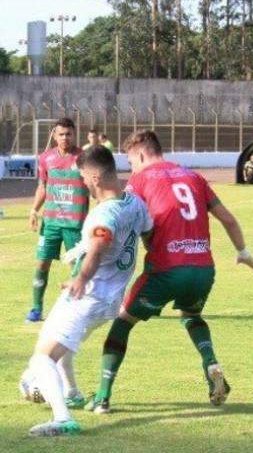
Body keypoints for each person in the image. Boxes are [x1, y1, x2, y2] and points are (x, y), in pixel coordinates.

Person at [87, 130, 253, 414]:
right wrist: (243, 253)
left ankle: (103, 396)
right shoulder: (194, 177)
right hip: (203, 269)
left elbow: (124, 215)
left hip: (166, 269)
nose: (130, 168)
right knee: (191, 315)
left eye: (131, 161)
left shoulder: (140, 179)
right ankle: (211, 364)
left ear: (141, 154)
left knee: (122, 323)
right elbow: (228, 219)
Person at [25, 146, 153, 437]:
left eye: (83, 177)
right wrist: (82, 249)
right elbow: (143, 232)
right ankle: (71, 392)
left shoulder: (103, 215)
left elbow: (99, 245)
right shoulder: (134, 202)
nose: (82, 183)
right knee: (60, 343)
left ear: (95, 176)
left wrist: (81, 276)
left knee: (41, 358)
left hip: (89, 295)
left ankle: (63, 418)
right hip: (111, 299)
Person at [27, 118, 87, 323]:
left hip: (75, 223)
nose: (65, 138)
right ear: (54, 135)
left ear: (74, 134)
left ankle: (77, 310)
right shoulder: (45, 158)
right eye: (61, 134)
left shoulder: (84, 158)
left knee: (76, 267)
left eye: (68, 134)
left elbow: (94, 187)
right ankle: (36, 308)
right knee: (42, 263)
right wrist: (34, 210)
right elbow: (42, 187)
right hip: (51, 222)